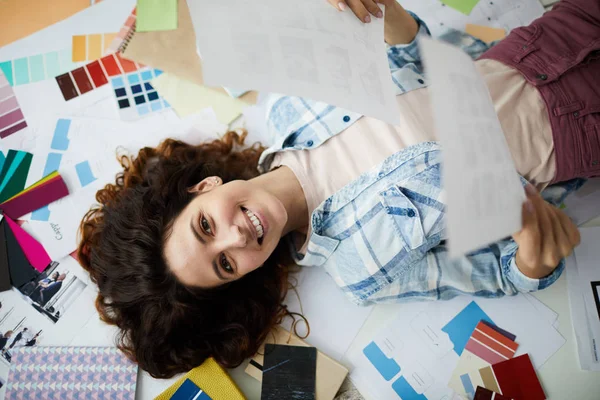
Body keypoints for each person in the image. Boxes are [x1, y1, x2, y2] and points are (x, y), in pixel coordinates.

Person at [78, 0, 597, 379]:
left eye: (205, 226)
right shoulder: (362, 271)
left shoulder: (290, 99)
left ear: (202, 186)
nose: (236, 237)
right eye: (225, 265)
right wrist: (533, 247)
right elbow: (505, 273)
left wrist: (381, 8)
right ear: (243, 279)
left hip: (540, 44)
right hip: (579, 139)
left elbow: (417, 51)